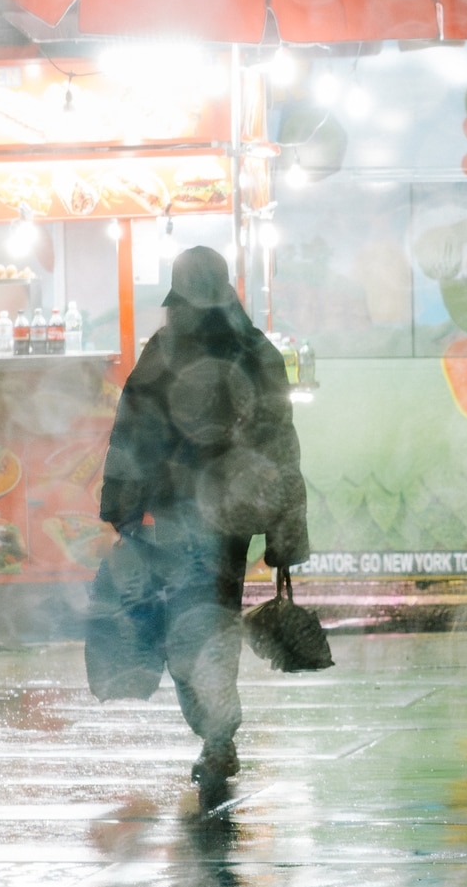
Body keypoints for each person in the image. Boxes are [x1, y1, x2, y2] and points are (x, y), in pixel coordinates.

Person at [93, 247, 309, 811]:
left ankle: (216, 733)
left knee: (189, 626)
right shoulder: (257, 352)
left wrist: (122, 508)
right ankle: (217, 734)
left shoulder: (163, 351)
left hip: (175, 516)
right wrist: (285, 529)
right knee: (210, 620)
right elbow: (281, 445)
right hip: (231, 520)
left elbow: (131, 433)